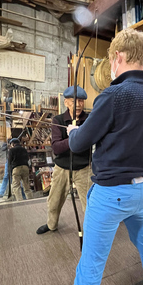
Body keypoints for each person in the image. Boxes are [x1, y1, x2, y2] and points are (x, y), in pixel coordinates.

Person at [66, 28, 143, 285]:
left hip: (111, 193)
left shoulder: (114, 95)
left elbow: (78, 143)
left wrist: (73, 131)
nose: (110, 66)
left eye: (111, 60)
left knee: (91, 266)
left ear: (117, 57)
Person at [36, 86, 92, 235]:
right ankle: (51, 224)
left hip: (84, 168)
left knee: (89, 204)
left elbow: (91, 141)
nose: (78, 104)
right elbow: (56, 148)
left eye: (81, 101)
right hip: (62, 168)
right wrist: (74, 136)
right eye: (74, 101)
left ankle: (91, 232)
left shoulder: (90, 120)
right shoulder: (58, 120)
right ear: (66, 102)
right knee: (54, 201)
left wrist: (78, 135)